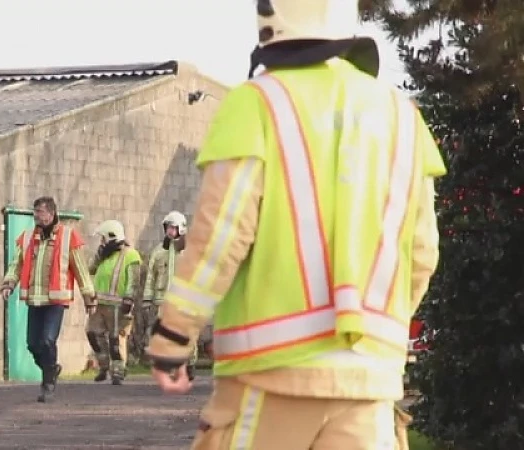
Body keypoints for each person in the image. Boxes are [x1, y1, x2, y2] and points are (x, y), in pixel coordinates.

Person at [145, 0, 446, 448]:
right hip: (369, 384)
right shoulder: (404, 117)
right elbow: (421, 254)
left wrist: (174, 334)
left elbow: (220, 238)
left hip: (268, 377)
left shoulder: (257, 103)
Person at [0, 196, 95, 402]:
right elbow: (16, 265)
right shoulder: (27, 238)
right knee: (32, 344)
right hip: (34, 300)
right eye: (34, 212)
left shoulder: (68, 237)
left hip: (56, 302)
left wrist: (89, 297)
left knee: (47, 340)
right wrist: (8, 284)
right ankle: (51, 369)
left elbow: (81, 270)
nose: (36, 216)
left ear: (51, 214)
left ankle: (48, 384)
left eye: (40, 212)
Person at [142, 211, 201, 380]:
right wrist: (147, 298)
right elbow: (150, 277)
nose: (169, 231)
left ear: (181, 229)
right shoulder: (158, 252)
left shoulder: (189, 252)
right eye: (167, 227)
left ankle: (190, 362)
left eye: (173, 228)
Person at [86, 220, 142, 385]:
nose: (101, 242)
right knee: (92, 333)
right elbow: (90, 270)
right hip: (100, 304)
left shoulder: (131, 255)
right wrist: (98, 255)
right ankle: (103, 366)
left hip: (119, 306)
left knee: (116, 339)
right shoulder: (104, 255)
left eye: (103, 238)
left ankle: (118, 371)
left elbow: (134, 280)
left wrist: (129, 298)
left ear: (112, 237)